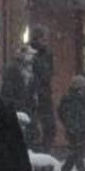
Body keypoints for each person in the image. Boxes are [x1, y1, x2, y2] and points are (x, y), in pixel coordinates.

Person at [57, 75, 85, 171]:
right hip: (74, 128)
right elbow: (67, 114)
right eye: (83, 87)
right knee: (77, 150)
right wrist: (71, 125)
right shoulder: (72, 100)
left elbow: (62, 112)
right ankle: (80, 170)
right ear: (78, 88)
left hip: (76, 127)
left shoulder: (74, 99)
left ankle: (65, 170)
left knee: (76, 150)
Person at [29, 25, 56, 153]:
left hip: (43, 93)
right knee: (37, 129)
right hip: (36, 94)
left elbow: (49, 72)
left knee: (50, 128)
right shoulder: (32, 55)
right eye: (43, 38)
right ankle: (40, 153)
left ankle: (44, 152)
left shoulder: (47, 54)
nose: (46, 41)